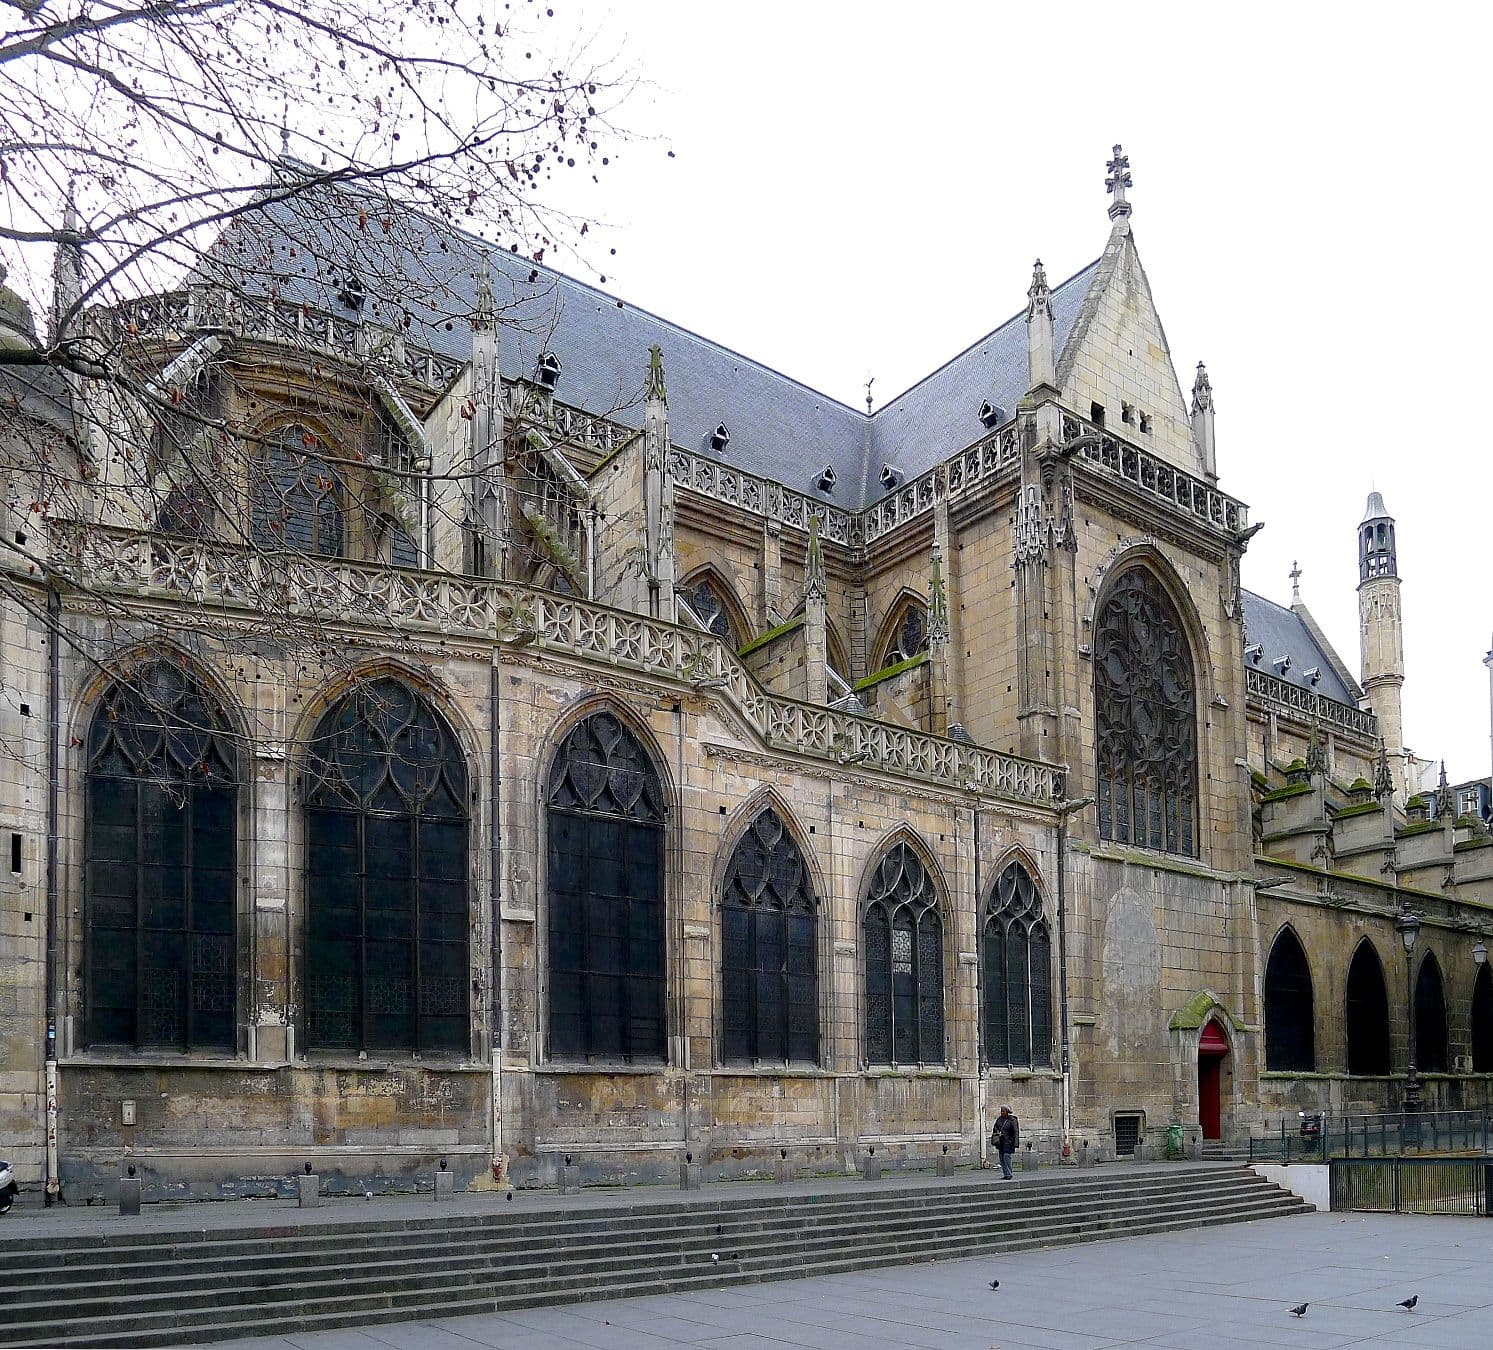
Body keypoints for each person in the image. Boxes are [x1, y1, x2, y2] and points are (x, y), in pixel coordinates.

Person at [991, 1105, 1019, 1180]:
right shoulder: (999, 1119)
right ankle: (1005, 1174)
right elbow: (995, 1128)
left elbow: (1015, 1132)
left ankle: (1009, 1174)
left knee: (1007, 1157)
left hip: (1009, 1142)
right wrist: (997, 1132)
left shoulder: (1012, 1120)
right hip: (1001, 1142)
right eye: (1001, 1111)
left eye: (1003, 1111)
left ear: (1007, 1112)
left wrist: (1015, 1143)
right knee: (1002, 1158)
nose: (1002, 1113)